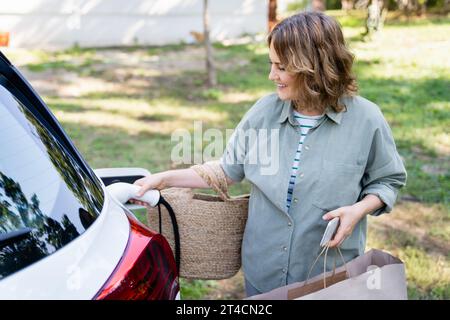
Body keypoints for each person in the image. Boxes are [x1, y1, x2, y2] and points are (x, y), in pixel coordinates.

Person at [132, 11, 407, 297]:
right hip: (263, 273)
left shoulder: (366, 119)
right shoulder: (263, 112)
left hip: (328, 277)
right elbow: (228, 169)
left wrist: (358, 210)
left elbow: (387, 181)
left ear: (313, 67)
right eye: (271, 64)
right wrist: (164, 180)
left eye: (281, 67)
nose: (271, 75)